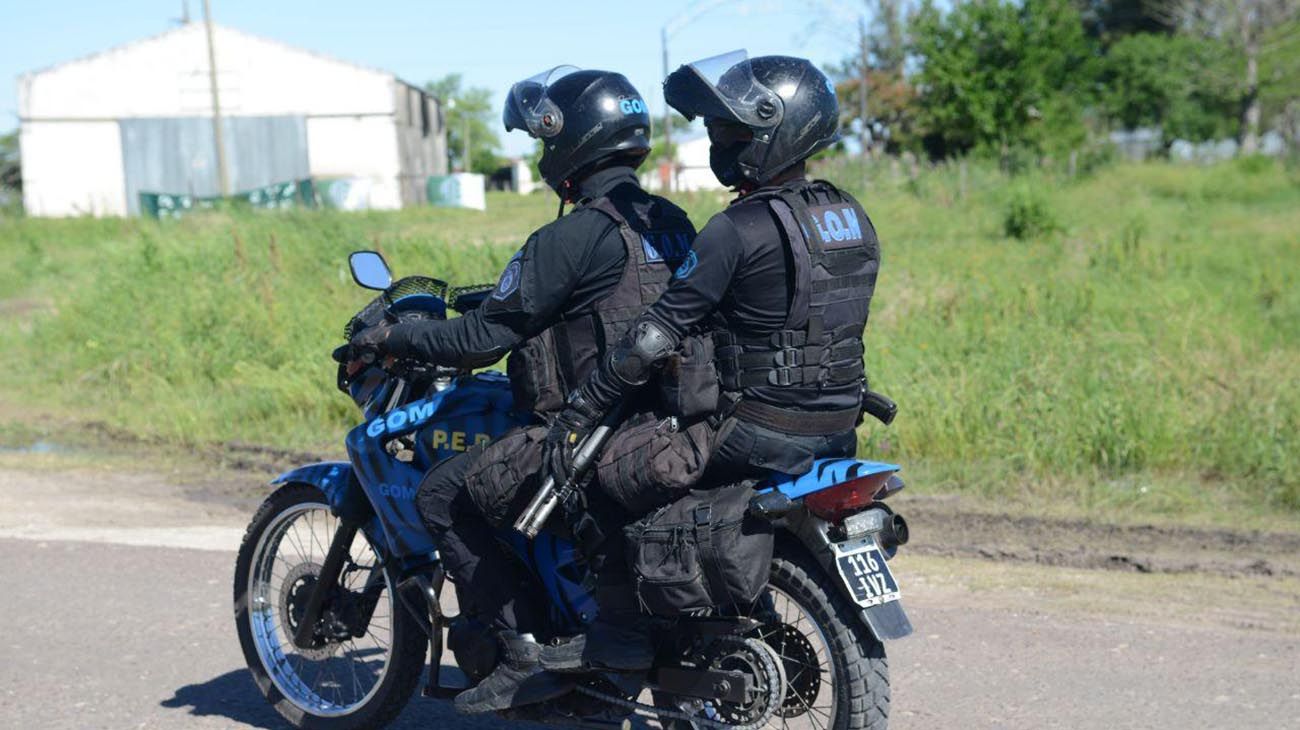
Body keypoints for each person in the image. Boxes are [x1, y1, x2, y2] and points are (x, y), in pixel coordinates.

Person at [348, 67, 696, 713]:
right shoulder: (670, 220)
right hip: (663, 418)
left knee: (444, 493)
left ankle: (520, 649)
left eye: (541, 143)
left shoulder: (572, 234)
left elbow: (482, 339)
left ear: (570, 141)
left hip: (588, 428)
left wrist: (398, 341)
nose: (540, 158)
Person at [541, 51, 881, 588]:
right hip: (840, 426)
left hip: (758, 431)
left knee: (607, 477)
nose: (717, 142)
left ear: (776, 130)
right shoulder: (849, 214)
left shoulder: (737, 226)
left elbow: (654, 335)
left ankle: (619, 640)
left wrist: (581, 411)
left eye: (730, 131)